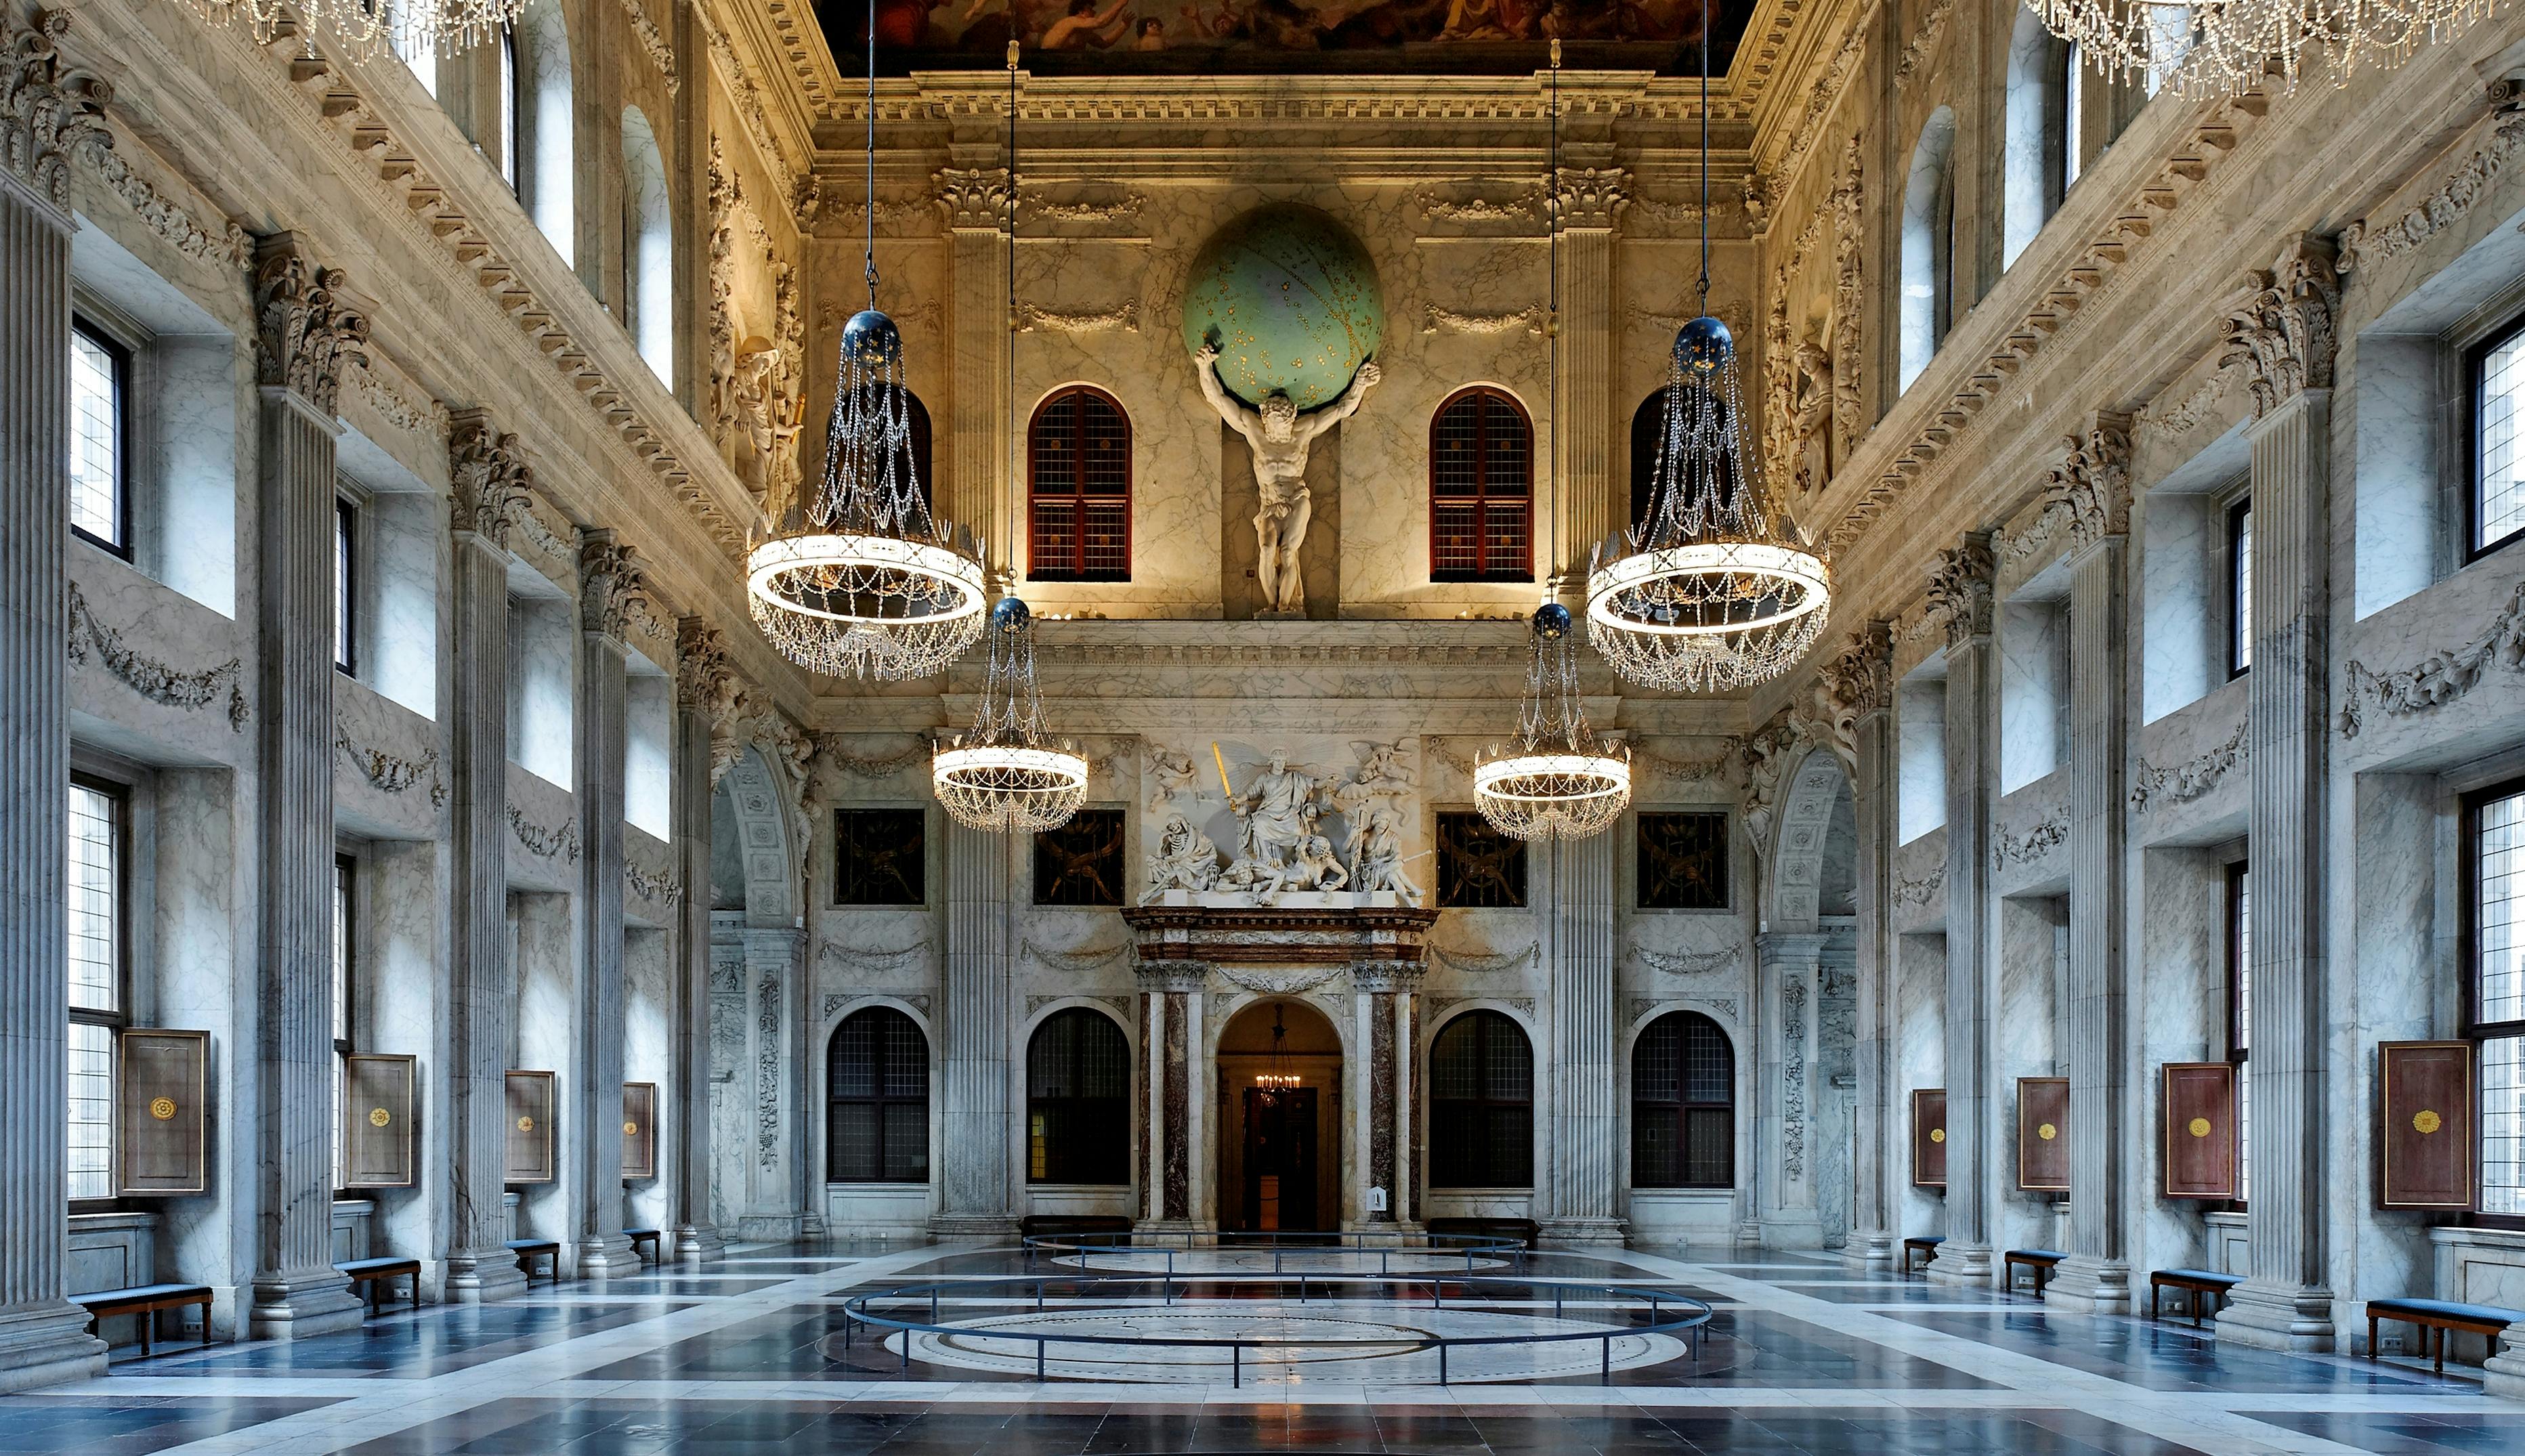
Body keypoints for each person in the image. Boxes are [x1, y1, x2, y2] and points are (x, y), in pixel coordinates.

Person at [1194, 342, 1380, 614]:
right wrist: (1205, 367)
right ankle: (1272, 606)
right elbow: (1218, 399)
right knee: (1267, 550)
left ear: (1292, 415)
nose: (1279, 429)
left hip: (1297, 500)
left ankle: (1285, 607)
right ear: (1264, 416)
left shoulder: (1303, 431)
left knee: (1287, 552)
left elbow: (1342, 409)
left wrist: (1361, 383)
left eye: (1284, 422)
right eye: (1273, 422)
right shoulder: (1254, 430)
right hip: (1270, 504)